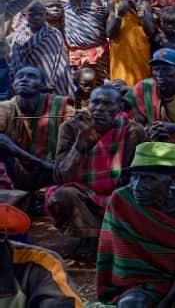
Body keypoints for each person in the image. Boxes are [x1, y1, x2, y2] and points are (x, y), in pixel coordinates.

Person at [95, 142, 175, 307]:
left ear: (172, 178)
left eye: (148, 178)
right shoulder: (122, 200)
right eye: (135, 177)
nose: (138, 186)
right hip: (140, 285)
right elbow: (119, 262)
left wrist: (168, 300)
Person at [46, 86, 145, 250]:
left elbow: (133, 174)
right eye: (95, 103)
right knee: (62, 194)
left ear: (119, 108)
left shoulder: (133, 131)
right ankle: (90, 236)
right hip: (83, 194)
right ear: (88, 104)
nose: (99, 109)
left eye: (107, 104)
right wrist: (81, 139)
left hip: (118, 194)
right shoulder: (70, 128)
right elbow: (61, 177)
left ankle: (112, 234)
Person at [0, 67, 74, 192]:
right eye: (20, 76)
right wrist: (37, 162)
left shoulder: (61, 107)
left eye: (31, 76)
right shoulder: (5, 108)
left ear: (43, 85)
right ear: (13, 84)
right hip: (15, 171)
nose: (24, 79)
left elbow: (73, 135)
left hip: (54, 170)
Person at [9, 0, 72, 97]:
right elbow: (15, 60)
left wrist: (50, 81)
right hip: (24, 82)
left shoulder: (54, 34)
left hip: (51, 82)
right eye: (32, 14)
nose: (36, 17)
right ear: (24, 15)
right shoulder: (18, 36)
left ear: (46, 15)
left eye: (40, 14)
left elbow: (60, 61)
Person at [62, 0, 110, 80]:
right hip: (75, 54)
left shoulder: (96, 2)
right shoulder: (62, 6)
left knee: (103, 82)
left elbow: (106, 24)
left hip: (98, 53)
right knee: (78, 85)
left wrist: (106, 15)